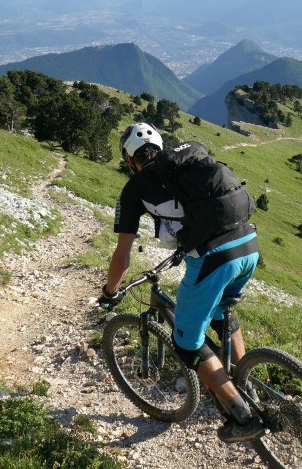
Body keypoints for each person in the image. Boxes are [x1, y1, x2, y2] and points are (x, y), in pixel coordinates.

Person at [99, 123, 264, 443]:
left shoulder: (135, 186)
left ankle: (242, 416)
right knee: (221, 312)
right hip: (249, 244)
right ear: (160, 148)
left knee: (187, 343)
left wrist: (109, 293)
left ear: (130, 159)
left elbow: (122, 255)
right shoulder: (188, 164)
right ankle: (249, 386)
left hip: (215, 259)